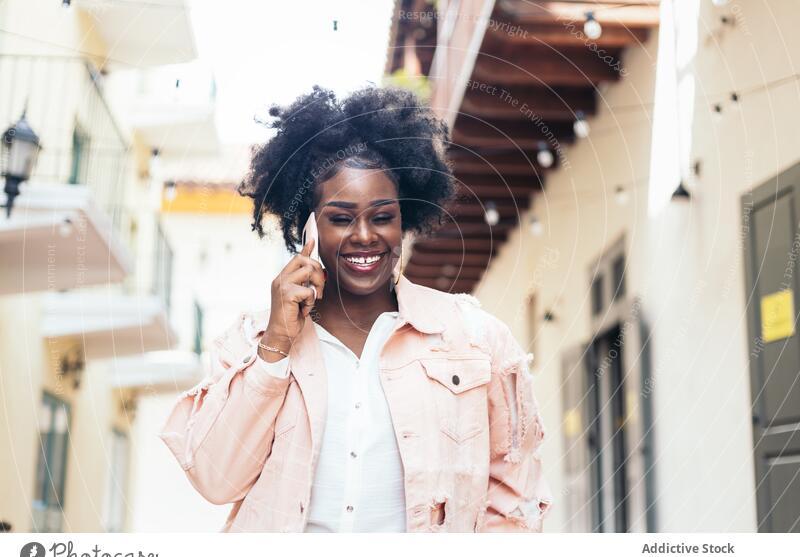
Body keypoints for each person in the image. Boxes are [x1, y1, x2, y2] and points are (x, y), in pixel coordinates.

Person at [159, 85, 552, 532]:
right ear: (306, 223)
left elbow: (515, 503)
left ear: (405, 218)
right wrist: (276, 346)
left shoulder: (476, 339)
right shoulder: (253, 343)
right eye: (341, 218)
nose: (364, 236)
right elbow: (215, 481)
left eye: (382, 217)